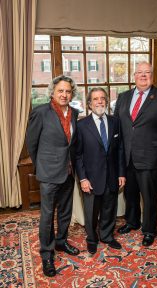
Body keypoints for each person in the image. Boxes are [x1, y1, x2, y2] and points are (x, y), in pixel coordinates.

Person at [114, 61, 157, 246]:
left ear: (152, 75)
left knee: (150, 196)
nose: (143, 75)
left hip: (152, 156)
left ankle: (149, 230)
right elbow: (118, 125)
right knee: (130, 193)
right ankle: (132, 222)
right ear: (134, 75)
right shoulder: (123, 97)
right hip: (127, 157)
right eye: (139, 72)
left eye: (147, 72)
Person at [26, 75, 80, 277]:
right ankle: (46, 254)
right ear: (53, 92)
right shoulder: (40, 113)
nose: (64, 94)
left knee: (65, 211)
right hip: (49, 173)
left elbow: (71, 144)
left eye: (68, 91)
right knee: (47, 215)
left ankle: (61, 241)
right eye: (61, 91)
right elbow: (32, 144)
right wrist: (42, 165)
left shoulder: (74, 113)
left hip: (68, 171)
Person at [76, 87, 126, 255]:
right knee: (91, 211)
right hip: (91, 178)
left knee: (109, 208)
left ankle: (107, 235)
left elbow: (120, 150)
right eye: (95, 99)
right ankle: (92, 239)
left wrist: (121, 173)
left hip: (112, 175)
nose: (100, 101)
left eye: (102, 98)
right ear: (89, 104)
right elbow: (77, 155)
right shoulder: (81, 125)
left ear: (106, 101)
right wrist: (83, 178)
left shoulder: (115, 122)